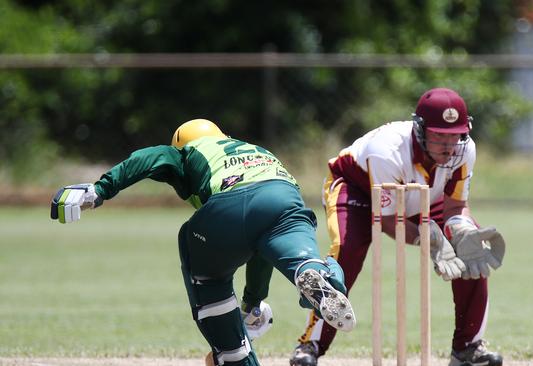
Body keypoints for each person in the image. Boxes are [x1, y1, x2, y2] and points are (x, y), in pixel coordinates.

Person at [50, 119, 357, 366]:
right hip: (284, 198)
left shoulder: (186, 151)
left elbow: (147, 158)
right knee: (303, 259)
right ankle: (320, 275)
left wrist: (100, 190)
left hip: (229, 203)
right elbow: (261, 250)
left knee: (204, 270)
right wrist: (252, 303)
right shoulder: (253, 149)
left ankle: (234, 353)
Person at [289, 88, 506, 366]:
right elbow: (390, 221)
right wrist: (431, 241)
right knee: (348, 252)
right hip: (356, 188)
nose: (448, 146)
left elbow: (455, 206)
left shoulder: (465, 150)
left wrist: (461, 230)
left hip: (420, 195)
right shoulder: (388, 152)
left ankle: (467, 348)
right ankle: (310, 345)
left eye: (455, 135)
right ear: (420, 130)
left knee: (471, 249)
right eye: (439, 135)